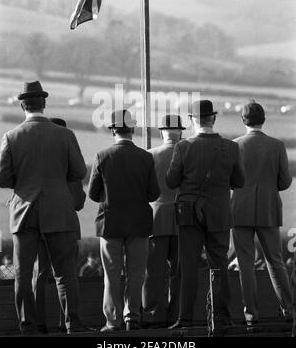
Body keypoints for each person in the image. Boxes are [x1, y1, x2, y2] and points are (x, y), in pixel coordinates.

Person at [0, 81, 87, 335]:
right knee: (64, 273)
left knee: (24, 274)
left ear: (23, 105)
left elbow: (2, 179)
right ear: (44, 104)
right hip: (59, 209)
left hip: (24, 211)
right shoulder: (65, 135)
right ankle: (73, 323)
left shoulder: (11, 137)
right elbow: (79, 171)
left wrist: (24, 182)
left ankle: (28, 325)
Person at [166, 99, 245, 329]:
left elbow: (171, 182)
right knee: (219, 265)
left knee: (187, 266)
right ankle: (221, 316)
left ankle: (185, 318)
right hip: (219, 213)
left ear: (192, 120)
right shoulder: (231, 147)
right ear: (214, 119)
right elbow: (239, 181)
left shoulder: (183, 147)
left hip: (189, 213)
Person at [88, 109, 160, 332]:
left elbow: (92, 193)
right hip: (139, 224)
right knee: (136, 274)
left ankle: (112, 321)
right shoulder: (146, 157)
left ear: (112, 130)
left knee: (112, 276)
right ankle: (133, 317)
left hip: (110, 225)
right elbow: (153, 194)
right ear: (132, 129)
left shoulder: (102, 156)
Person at [231, 100, 293, 328]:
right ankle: (288, 309)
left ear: (243, 121)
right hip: (268, 210)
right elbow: (285, 182)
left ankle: (251, 315)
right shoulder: (277, 145)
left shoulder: (234, 145)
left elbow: (231, 180)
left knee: (245, 264)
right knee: (275, 262)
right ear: (263, 120)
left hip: (239, 210)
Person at [34, 117, 86, 334]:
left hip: (38, 225)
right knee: (65, 276)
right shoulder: (70, 174)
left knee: (40, 275)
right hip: (65, 226)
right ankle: (69, 322)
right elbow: (79, 202)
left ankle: (39, 323)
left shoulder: (37, 171)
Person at [142, 114, 184, 328]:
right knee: (179, 273)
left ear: (161, 133)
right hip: (182, 218)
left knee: (153, 272)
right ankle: (175, 315)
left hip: (156, 218)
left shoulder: (150, 155)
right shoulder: (188, 153)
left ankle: (151, 315)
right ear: (181, 132)